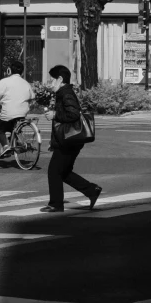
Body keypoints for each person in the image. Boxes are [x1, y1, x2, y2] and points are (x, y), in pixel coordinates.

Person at [41, 62, 102, 212]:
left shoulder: (66, 93)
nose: (51, 83)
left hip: (69, 141)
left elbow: (73, 114)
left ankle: (56, 204)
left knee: (54, 171)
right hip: (68, 140)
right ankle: (91, 190)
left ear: (60, 79)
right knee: (64, 172)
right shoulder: (63, 93)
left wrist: (55, 114)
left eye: (52, 80)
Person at [0, 54, 33, 142]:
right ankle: (14, 141)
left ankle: (5, 146)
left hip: (8, 114)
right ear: (22, 72)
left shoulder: (5, 82)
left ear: (9, 70)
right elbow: (32, 96)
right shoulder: (26, 83)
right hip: (22, 114)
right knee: (13, 127)